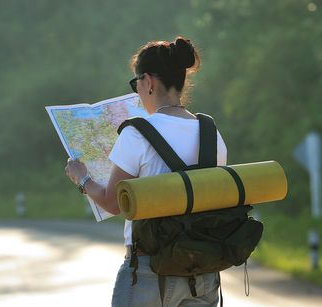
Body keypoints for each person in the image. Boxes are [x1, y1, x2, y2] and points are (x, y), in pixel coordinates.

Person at [65, 36, 227, 307]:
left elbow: (113, 203)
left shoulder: (137, 134)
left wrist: (81, 178)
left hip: (149, 272)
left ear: (148, 82)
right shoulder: (211, 133)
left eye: (136, 83)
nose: (137, 92)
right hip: (203, 272)